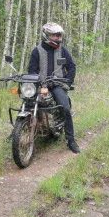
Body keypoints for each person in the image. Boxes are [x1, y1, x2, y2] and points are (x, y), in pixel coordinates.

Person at [28, 22, 80, 154]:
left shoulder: (62, 50)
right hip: (41, 85)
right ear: (46, 35)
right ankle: (17, 132)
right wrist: (36, 84)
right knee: (27, 103)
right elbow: (31, 71)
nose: (58, 38)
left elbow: (72, 67)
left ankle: (71, 140)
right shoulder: (37, 51)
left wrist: (67, 83)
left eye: (59, 35)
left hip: (57, 85)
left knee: (65, 108)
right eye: (55, 35)